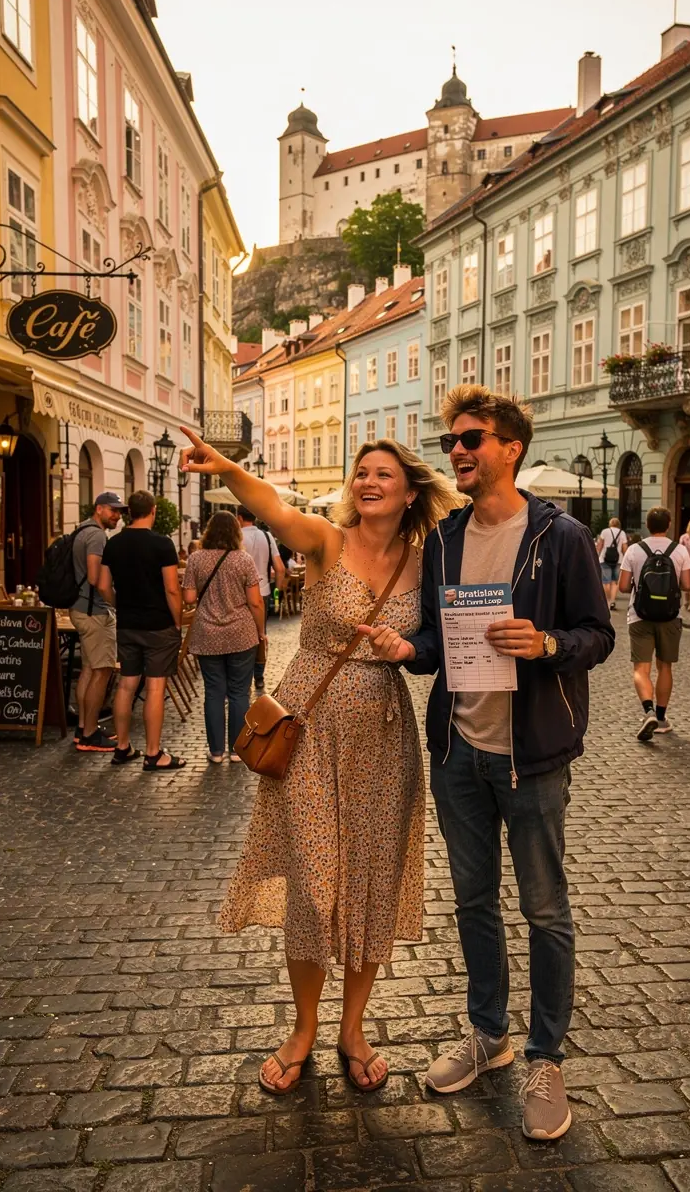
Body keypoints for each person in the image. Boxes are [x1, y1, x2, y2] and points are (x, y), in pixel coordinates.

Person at [361, 385, 615, 1142]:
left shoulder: (560, 537)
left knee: (545, 910)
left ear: (510, 447)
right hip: (460, 752)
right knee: (473, 903)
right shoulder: (444, 540)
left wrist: (545, 645)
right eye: (451, 443)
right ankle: (487, 1033)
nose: (459, 453)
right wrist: (410, 651)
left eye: (471, 439)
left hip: (533, 756)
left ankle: (544, 1056)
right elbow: (440, 644)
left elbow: (596, 636)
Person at [179, 423, 457, 1097]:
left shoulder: (428, 557)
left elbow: (436, 639)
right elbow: (275, 507)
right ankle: (303, 1027)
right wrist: (226, 470)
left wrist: (407, 647)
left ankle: (352, 1029)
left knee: (368, 881)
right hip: (309, 722)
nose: (368, 482)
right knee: (311, 880)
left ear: (410, 489)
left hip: (383, 738)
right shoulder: (327, 542)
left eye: (383, 474)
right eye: (362, 472)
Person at [98, 490, 186, 770]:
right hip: (158, 624)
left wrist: (119, 604)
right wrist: (177, 619)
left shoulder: (114, 544)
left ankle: (122, 747)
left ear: (128, 512)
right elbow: (172, 588)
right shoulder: (162, 544)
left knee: (126, 683)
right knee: (156, 686)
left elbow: (102, 585)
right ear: (153, 511)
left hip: (127, 624)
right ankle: (153, 753)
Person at [182, 511, 266, 764]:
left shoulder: (196, 559)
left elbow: (187, 598)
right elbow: (255, 602)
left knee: (214, 691)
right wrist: (260, 631)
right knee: (240, 692)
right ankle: (237, 750)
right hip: (241, 634)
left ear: (209, 532)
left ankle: (216, 752)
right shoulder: (244, 560)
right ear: (235, 532)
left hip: (207, 634)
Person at [618, 507, 690, 739]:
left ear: (647, 525)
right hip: (670, 616)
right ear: (669, 525)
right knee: (665, 667)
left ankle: (648, 710)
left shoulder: (634, 550)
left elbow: (622, 586)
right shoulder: (679, 550)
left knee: (641, 668)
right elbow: (688, 585)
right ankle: (661, 717)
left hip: (639, 615)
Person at [70, 491, 126, 752]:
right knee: (102, 671)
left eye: (120, 512)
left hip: (81, 608)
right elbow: (96, 578)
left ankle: (83, 728)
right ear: (99, 509)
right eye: (113, 510)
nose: (117, 516)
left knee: (90, 670)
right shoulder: (96, 536)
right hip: (94, 611)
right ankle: (90, 733)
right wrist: (114, 601)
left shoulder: (81, 529)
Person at [238, 504, 286, 691]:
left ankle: (242, 674)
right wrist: (278, 592)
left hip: (240, 594)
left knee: (241, 634)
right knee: (260, 634)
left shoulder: (237, 537)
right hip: (264, 591)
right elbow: (280, 568)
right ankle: (259, 676)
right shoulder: (267, 537)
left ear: (240, 518)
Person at [595, 516, 628, 610]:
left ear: (610, 524)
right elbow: (624, 548)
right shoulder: (622, 533)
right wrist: (626, 558)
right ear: (619, 525)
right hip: (618, 560)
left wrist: (596, 556)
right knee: (615, 582)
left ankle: (607, 601)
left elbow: (599, 545)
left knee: (606, 582)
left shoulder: (605, 531)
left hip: (604, 559)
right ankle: (613, 601)